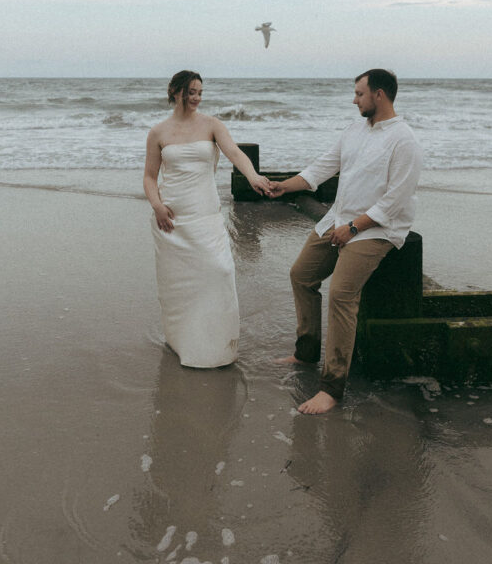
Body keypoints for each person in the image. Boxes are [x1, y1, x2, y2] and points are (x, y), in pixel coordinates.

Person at [270, 69, 422, 414]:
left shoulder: (404, 140)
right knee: (301, 275)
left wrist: (354, 229)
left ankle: (332, 387)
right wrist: (283, 185)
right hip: (338, 219)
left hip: (377, 229)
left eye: (359, 94)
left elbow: (395, 200)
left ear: (379, 95)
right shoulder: (354, 130)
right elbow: (320, 168)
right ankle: (306, 353)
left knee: (341, 294)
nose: (354, 100)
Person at [144, 70, 272, 368]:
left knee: (220, 271)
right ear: (175, 91)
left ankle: (217, 347)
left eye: (200, 92)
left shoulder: (213, 125)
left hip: (205, 215)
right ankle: (183, 342)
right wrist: (157, 206)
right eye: (191, 92)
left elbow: (236, 154)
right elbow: (150, 177)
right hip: (172, 218)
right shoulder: (158, 132)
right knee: (181, 285)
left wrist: (253, 176)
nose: (196, 98)